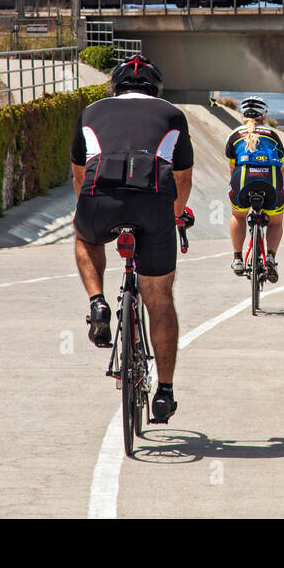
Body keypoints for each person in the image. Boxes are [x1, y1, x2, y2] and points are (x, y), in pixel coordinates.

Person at [71, 53, 193, 424]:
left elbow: (79, 177)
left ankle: (98, 303)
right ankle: (165, 392)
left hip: (100, 199)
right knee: (160, 300)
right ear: (154, 88)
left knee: (85, 238)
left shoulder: (91, 111)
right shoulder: (172, 114)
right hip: (152, 203)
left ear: (115, 87)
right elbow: (183, 179)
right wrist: (176, 215)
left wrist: (90, 212)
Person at [224, 97, 284, 281]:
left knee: (238, 216)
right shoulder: (273, 135)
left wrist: (235, 189)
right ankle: (270, 256)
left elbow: (232, 169)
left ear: (242, 115)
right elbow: (282, 167)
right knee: (275, 222)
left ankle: (237, 258)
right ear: (264, 115)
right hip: (271, 180)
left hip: (243, 180)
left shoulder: (234, 135)